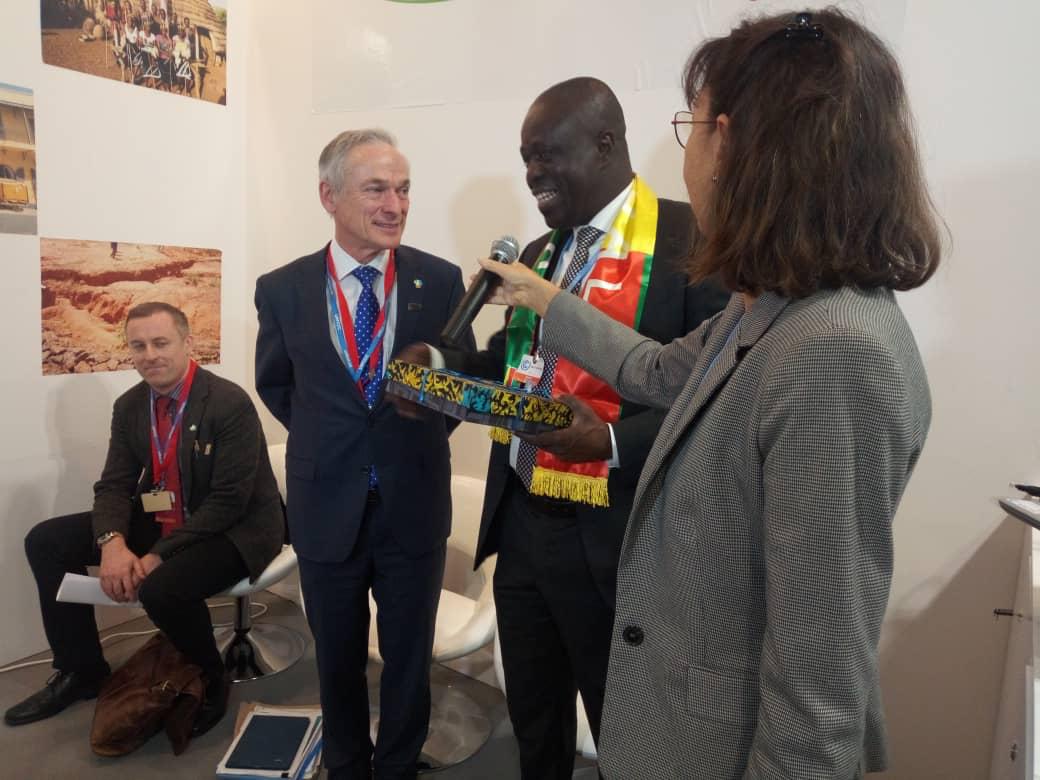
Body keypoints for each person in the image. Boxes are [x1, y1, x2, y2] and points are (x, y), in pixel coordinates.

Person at [478, 10, 941, 779]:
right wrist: (539, 297)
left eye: (691, 128)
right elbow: (658, 371)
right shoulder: (769, 306)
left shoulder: (835, 353)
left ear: (736, 145)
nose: (684, 153)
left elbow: (817, 699)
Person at [401, 77, 726, 779]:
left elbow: (711, 394)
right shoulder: (542, 254)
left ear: (605, 143)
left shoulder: (689, 239)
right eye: (525, 156)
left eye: (547, 154)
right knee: (536, 719)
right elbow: (515, 364)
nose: (533, 172)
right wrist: (438, 365)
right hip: (522, 523)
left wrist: (609, 443)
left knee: (628, 733)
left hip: (617, 537)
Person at [254, 129, 473, 780]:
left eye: (403, 189)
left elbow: (455, 385)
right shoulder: (283, 288)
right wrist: (336, 445)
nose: (395, 205)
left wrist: (405, 441)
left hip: (413, 502)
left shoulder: (439, 280)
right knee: (338, 658)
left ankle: (398, 767)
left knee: (408, 659)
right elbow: (278, 386)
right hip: (327, 507)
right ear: (329, 195)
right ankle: (348, 766)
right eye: (376, 188)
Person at [4, 302, 284, 737]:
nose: (149, 355)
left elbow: (229, 500)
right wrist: (112, 542)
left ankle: (211, 677)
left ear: (188, 343)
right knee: (46, 540)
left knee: (162, 586)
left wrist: (156, 555)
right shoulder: (130, 406)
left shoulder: (229, 402)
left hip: (236, 527)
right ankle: (81, 671)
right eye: (138, 346)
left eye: (160, 342)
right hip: (166, 516)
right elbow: (114, 484)